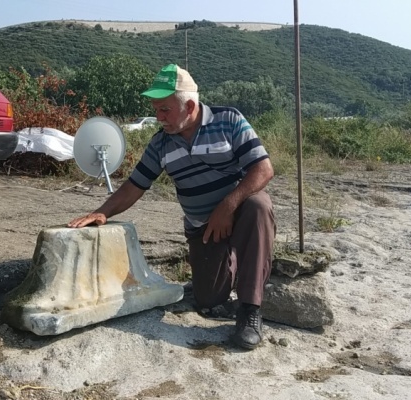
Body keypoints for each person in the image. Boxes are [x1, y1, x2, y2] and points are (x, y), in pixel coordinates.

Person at [68, 64, 275, 350]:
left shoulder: (229, 120)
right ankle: (235, 265)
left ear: (189, 105)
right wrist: (102, 211)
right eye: (156, 109)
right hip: (203, 230)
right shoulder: (160, 144)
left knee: (258, 205)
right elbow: (134, 185)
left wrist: (227, 206)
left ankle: (250, 311)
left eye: (164, 109)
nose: (158, 116)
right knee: (208, 301)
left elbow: (263, 170)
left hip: (237, 214)